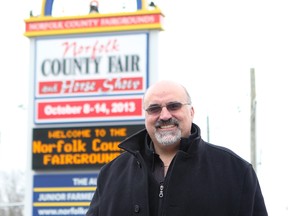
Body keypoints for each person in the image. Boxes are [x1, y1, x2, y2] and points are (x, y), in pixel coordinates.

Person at [86, 80, 268, 216]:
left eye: (174, 106)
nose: (164, 115)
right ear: (146, 116)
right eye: (154, 109)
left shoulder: (236, 172)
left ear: (191, 112)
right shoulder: (111, 175)